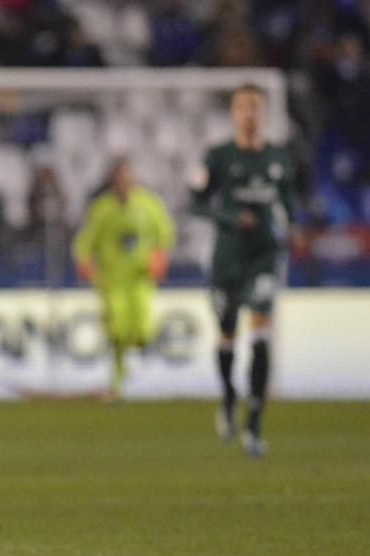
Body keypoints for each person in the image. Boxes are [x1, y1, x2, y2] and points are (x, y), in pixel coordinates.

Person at [189, 83, 296, 457]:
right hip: (227, 258)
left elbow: (290, 204)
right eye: (242, 107)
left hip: (264, 256)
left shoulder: (279, 159)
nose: (249, 114)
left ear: (264, 113)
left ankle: (254, 426)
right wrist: (232, 217)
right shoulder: (217, 157)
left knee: (261, 331)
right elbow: (195, 205)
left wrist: (292, 230)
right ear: (233, 113)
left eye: (255, 107)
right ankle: (229, 396)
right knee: (227, 334)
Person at [72, 157, 175, 399]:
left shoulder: (148, 205)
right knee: (118, 330)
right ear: (113, 181)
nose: (124, 183)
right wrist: (85, 261)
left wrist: (160, 256)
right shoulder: (102, 209)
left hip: (140, 278)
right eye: (119, 178)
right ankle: (119, 380)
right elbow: (87, 239)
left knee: (142, 329)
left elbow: (164, 233)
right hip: (112, 280)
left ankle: (131, 372)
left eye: (127, 177)